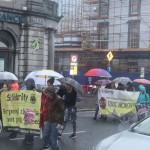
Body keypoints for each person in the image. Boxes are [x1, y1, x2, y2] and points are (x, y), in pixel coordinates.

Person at [23, 78, 36, 145]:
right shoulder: (26, 90)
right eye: (27, 83)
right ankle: (26, 137)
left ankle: (30, 139)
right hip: (26, 110)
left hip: (31, 111)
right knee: (26, 125)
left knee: (30, 126)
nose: (28, 85)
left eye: (29, 84)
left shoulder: (34, 92)